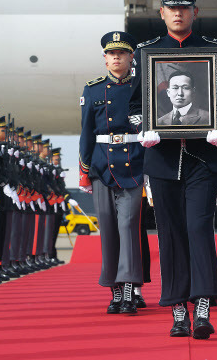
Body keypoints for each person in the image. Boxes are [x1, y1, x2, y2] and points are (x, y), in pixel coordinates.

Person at [127, 0, 217, 339]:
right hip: (161, 159)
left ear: (195, 11)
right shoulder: (146, 54)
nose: (178, 13)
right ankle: (177, 309)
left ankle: (202, 306)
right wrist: (144, 128)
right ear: (162, 13)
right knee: (170, 234)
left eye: (184, 7)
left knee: (199, 229)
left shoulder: (215, 52)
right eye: (172, 8)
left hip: (203, 159)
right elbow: (134, 107)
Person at [79, 31, 145, 315]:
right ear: (105, 59)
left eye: (122, 53)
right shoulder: (93, 89)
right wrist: (84, 169)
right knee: (107, 228)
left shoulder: (143, 86)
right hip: (101, 164)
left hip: (134, 162)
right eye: (111, 53)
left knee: (128, 227)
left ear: (131, 57)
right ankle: (115, 291)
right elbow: (86, 132)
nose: (116, 57)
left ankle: (129, 289)